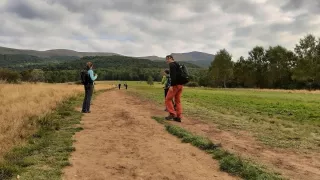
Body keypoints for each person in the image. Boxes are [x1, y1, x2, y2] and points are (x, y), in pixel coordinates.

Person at [165, 55, 183, 122]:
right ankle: (178, 117)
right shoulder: (178, 64)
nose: (166, 61)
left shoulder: (171, 64)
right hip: (180, 85)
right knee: (177, 101)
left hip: (175, 85)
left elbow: (173, 76)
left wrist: (171, 86)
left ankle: (172, 114)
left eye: (167, 59)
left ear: (170, 58)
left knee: (168, 99)